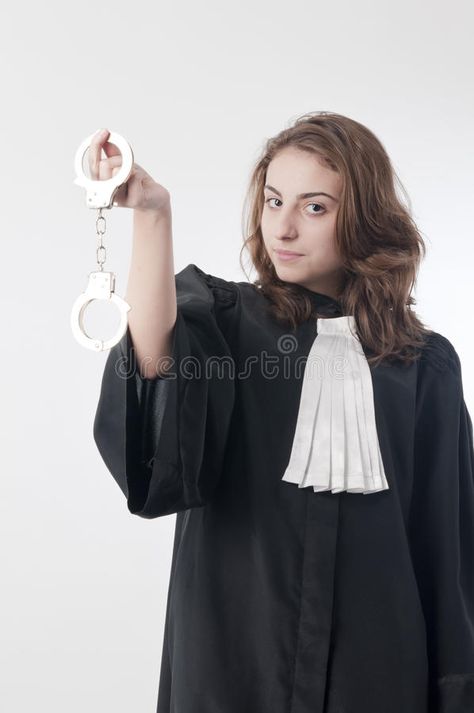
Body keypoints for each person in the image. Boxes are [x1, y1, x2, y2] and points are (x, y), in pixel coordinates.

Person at [92, 112, 474, 713]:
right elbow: (154, 358)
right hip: (235, 661)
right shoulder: (222, 321)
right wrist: (153, 215)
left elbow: (445, 550)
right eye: (274, 201)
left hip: (376, 671)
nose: (285, 227)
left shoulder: (424, 366)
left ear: (364, 217)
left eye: (315, 207)